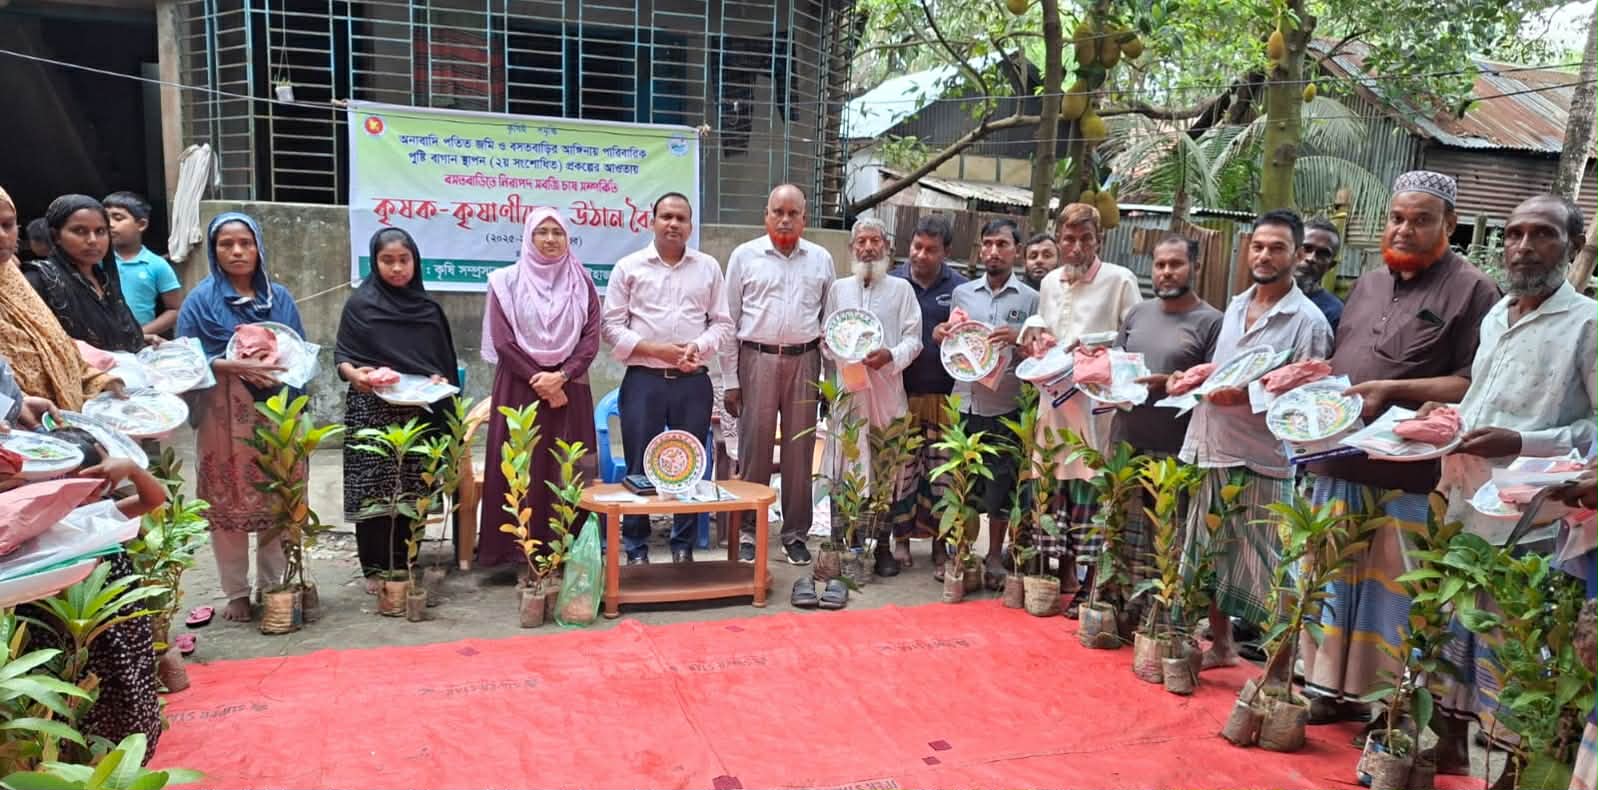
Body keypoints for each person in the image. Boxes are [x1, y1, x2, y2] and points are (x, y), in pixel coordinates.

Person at [1297, 171, 1500, 733]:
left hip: (1410, 471)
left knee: (1396, 589)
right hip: (1339, 455)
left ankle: (1387, 704)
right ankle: (1327, 688)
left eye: (1421, 219)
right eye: (1397, 218)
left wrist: (1396, 392)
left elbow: (1470, 382)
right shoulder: (1365, 282)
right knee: (1333, 575)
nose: (1405, 229)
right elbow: (1345, 364)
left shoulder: (1474, 290)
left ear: (1449, 225)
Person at [1428, 194, 1598, 779]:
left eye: (1542, 234)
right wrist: (1442, 426)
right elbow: (1478, 397)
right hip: (1465, 500)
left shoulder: (1588, 324)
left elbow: (1595, 430)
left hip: (1533, 521)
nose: (1523, 246)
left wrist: (1523, 444)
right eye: (1513, 233)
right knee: (1454, 628)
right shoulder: (1497, 314)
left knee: (1519, 645)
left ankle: (1512, 771)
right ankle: (1446, 741)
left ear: (1572, 247)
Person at [1175, 209, 1332, 668]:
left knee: (1266, 565)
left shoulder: (1308, 322)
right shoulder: (1238, 305)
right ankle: (1220, 646)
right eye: (1258, 246)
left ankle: (1279, 666)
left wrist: (1247, 396)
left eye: (1277, 247)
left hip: (1263, 458)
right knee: (1207, 552)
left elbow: (1307, 401)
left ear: (1297, 254)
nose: (1264, 255)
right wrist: (1201, 377)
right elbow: (1228, 368)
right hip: (1211, 445)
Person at [176, 212, 304, 622]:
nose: (237, 251)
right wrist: (224, 365)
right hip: (223, 416)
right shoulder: (200, 302)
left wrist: (278, 369)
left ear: (258, 247)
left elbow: (299, 352)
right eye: (226, 244)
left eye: (245, 243)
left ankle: (273, 586)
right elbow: (182, 358)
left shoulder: (279, 298)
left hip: (273, 412)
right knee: (226, 503)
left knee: (277, 496)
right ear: (214, 251)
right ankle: (235, 592)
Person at [1018, 203, 1141, 604]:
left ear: (1099, 240)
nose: (1075, 247)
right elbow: (1044, 329)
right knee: (1055, 483)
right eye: (1068, 239)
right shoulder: (1051, 281)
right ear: (1058, 240)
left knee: (1092, 484)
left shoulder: (1120, 280)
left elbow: (1133, 341)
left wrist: (1098, 349)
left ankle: (1093, 584)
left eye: (1084, 238)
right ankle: (1064, 573)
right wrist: (1037, 340)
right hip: (1053, 403)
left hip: (1094, 409)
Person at [16, 433, 167, 757]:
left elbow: (154, 498)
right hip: (62, 642)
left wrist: (132, 469)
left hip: (116, 638)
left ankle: (123, 765)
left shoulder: (98, 516)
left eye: (86, 482)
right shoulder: (30, 528)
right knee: (71, 711)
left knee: (127, 704)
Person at [602, 193, 732, 565]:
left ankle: (682, 546)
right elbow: (610, 326)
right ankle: (636, 547)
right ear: (653, 220)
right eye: (666, 217)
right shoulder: (629, 267)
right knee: (638, 465)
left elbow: (721, 323)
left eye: (681, 218)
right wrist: (656, 349)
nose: (673, 224)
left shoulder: (708, 267)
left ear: (691, 226)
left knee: (690, 464)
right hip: (644, 379)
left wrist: (697, 348)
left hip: (693, 381)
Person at [475, 207, 601, 570]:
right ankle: (516, 554)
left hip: (570, 390)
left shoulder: (584, 282)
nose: (549, 239)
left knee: (566, 466)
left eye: (557, 232)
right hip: (519, 390)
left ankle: (568, 550)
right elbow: (502, 341)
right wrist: (541, 380)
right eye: (541, 232)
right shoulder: (504, 281)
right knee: (522, 466)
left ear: (567, 239)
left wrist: (561, 377)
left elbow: (591, 340)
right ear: (527, 238)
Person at [336, 227, 460, 591]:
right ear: (375, 262)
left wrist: (438, 380)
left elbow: (442, 365)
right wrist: (355, 375)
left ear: (415, 262)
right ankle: (374, 568)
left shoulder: (428, 309)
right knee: (373, 491)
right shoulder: (360, 305)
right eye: (387, 260)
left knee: (411, 489)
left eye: (403, 260)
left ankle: (405, 562)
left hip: (417, 411)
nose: (396, 268)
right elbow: (343, 357)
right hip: (371, 409)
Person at [720, 184, 833, 566]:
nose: (785, 220)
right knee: (755, 450)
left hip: (806, 360)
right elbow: (728, 320)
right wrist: (731, 382)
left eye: (793, 213)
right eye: (777, 212)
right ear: (765, 215)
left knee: (800, 452)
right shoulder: (744, 256)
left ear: (805, 218)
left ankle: (795, 533)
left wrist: (829, 381)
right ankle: (751, 529)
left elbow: (828, 322)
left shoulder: (820, 259)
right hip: (757, 360)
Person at [1112, 235, 1222, 619]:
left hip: (1177, 449)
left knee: (1168, 535)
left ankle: (1161, 618)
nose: (1166, 272)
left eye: (1176, 264)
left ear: (1195, 266)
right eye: (1160, 264)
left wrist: (1168, 382)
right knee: (1126, 533)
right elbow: (1116, 368)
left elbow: (1214, 387)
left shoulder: (1212, 323)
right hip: (1126, 441)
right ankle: (1126, 608)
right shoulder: (1138, 314)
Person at [930, 218, 1038, 582]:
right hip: (965, 401)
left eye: (1002, 245)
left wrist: (1021, 342)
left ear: (1016, 251)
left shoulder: (1031, 300)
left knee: (1002, 485)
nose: (993, 251)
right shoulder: (963, 294)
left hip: (1006, 407)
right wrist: (940, 333)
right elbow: (953, 342)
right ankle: (962, 551)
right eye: (988, 244)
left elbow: (1037, 356)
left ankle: (993, 555)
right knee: (963, 482)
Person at [819, 217, 922, 579]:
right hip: (850, 392)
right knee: (844, 465)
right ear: (851, 249)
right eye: (860, 241)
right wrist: (839, 354)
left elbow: (915, 340)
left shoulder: (902, 290)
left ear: (887, 248)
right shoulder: (838, 289)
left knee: (885, 468)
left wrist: (890, 355)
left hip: (887, 393)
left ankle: (880, 547)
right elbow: (825, 337)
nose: (867, 247)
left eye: (874, 241)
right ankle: (842, 544)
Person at [888, 214, 967, 569]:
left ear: (945, 252)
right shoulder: (893, 283)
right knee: (902, 474)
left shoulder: (961, 289)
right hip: (901, 395)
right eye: (917, 246)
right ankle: (900, 538)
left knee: (943, 475)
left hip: (945, 397)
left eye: (931, 249)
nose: (921, 255)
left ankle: (940, 543)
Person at [0, 186, 125, 410]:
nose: (2, 236)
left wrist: (96, 380)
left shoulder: (14, 282)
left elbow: (54, 344)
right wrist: (12, 408)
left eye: (7, 225)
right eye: (79, 231)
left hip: (56, 423)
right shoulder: (38, 279)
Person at [22, 195, 151, 353]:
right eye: (79, 231)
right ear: (56, 236)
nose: (92, 240)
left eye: (100, 231)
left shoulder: (104, 280)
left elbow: (113, 333)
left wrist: (141, 338)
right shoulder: (38, 281)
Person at [105, 191, 184, 339]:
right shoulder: (97, 262)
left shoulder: (156, 265)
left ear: (141, 224)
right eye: (105, 218)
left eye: (118, 218)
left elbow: (175, 310)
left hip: (142, 342)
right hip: (102, 341)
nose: (109, 224)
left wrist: (141, 333)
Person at [1296, 217, 1345, 333]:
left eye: (1322, 254)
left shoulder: (1333, 313)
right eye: (1306, 248)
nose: (1311, 258)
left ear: (1331, 266)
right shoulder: (1261, 297)